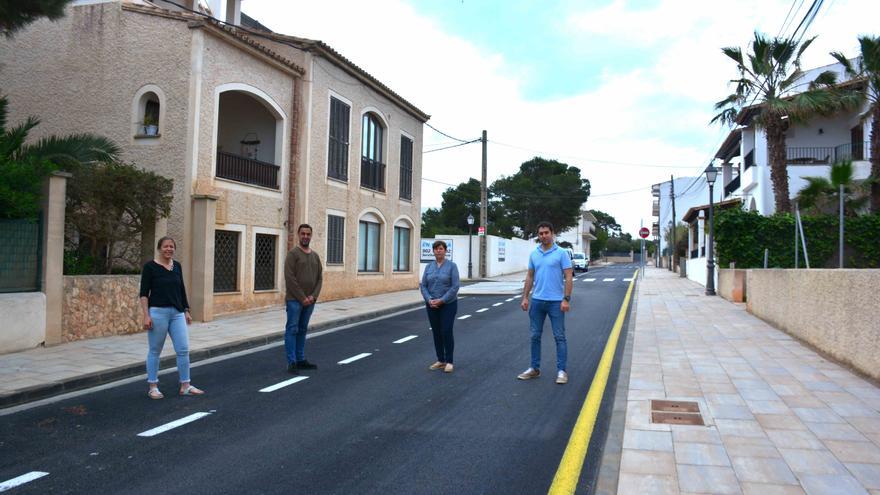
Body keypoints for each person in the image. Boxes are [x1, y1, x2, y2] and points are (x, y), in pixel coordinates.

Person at [139, 236, 204, 399]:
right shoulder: (150, 267)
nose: (169, 249)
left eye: (171, 247)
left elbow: (181, 290)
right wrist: (146, 315)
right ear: (159, 248)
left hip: (177, 314)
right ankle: (153, 386)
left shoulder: (177, 267)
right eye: (166, 246)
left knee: (183, 349)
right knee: (155, 350)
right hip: (158, 313)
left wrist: (186, 310)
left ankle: (186, 385)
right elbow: (143, 294)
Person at [517, 221, 574, 384]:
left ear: (552, 233)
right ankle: (534, 368)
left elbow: (568, 277)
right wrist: (525, 297)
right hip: (537, 301)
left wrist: (566, 298)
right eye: (540, 233)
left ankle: (562, 371)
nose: (543, 236)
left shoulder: (561, 253)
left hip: (556, 302)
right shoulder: (534, 254)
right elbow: (530, 276)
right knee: (534, 335)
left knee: (559, 337)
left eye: (546, 233)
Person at [284, 224, 323, 374]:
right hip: (295, 301)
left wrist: (313, 296)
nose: (305, 236)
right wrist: (302, 298)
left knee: (302, 330)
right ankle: (291, 362)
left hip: (310, 301)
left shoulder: (315, 256)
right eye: (303, 234)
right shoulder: (293, 254)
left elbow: (320, 278)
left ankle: (300, 359)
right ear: (299, 235)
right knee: (292, 329)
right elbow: (290, 278)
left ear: (311, 236)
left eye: (308, 234)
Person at [420, 240, 460, 373]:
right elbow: (423, 285)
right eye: (436, 249)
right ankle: (440, 359)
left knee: (446, 331)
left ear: (445, 251)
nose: (439, 251)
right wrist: (429, 299)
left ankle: (449, 361)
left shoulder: (452, 266)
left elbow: (455, 287)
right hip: (432, 305)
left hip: (448, 304)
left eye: (441, 248)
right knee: (436, 331)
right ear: (433, 251)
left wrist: (442, 300)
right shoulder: (429, 267)